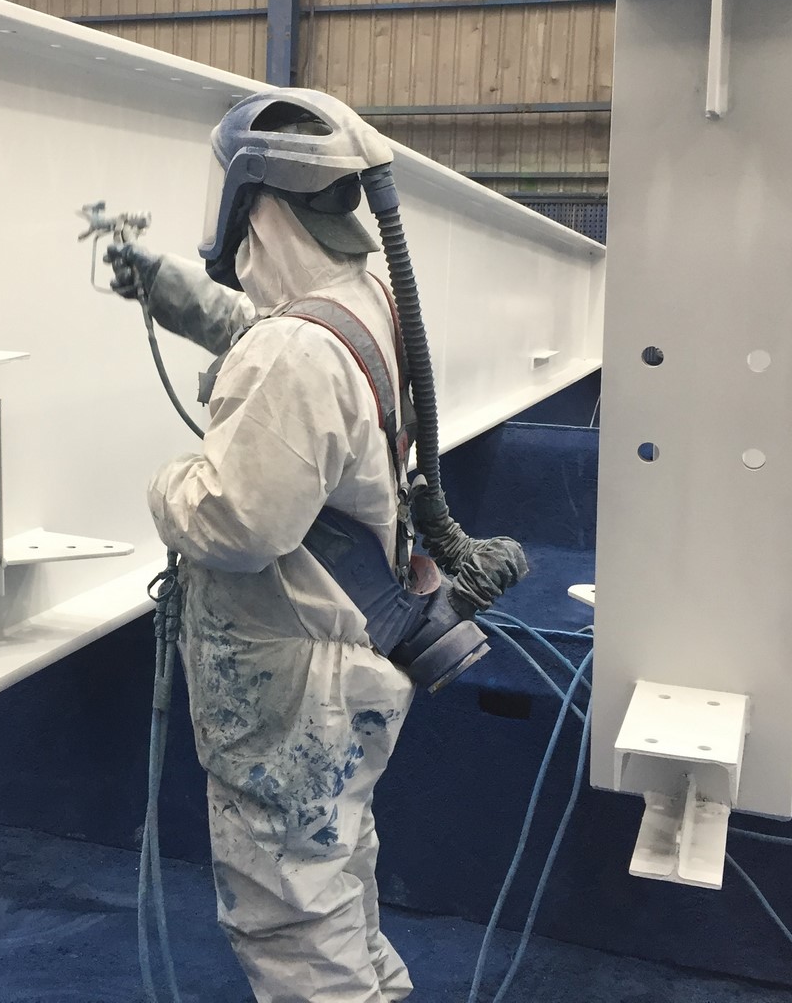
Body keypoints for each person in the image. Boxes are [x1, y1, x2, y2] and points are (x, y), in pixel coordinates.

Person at [107, 89, 527, 1003]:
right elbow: (281, 340)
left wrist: (163, 483)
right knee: (333, 876)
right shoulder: (365, 301)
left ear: (256, 205)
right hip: (346, 660)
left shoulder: (294, 355)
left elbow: (236, 523)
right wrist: (170, 289)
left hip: (289, 680)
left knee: (291, 917)